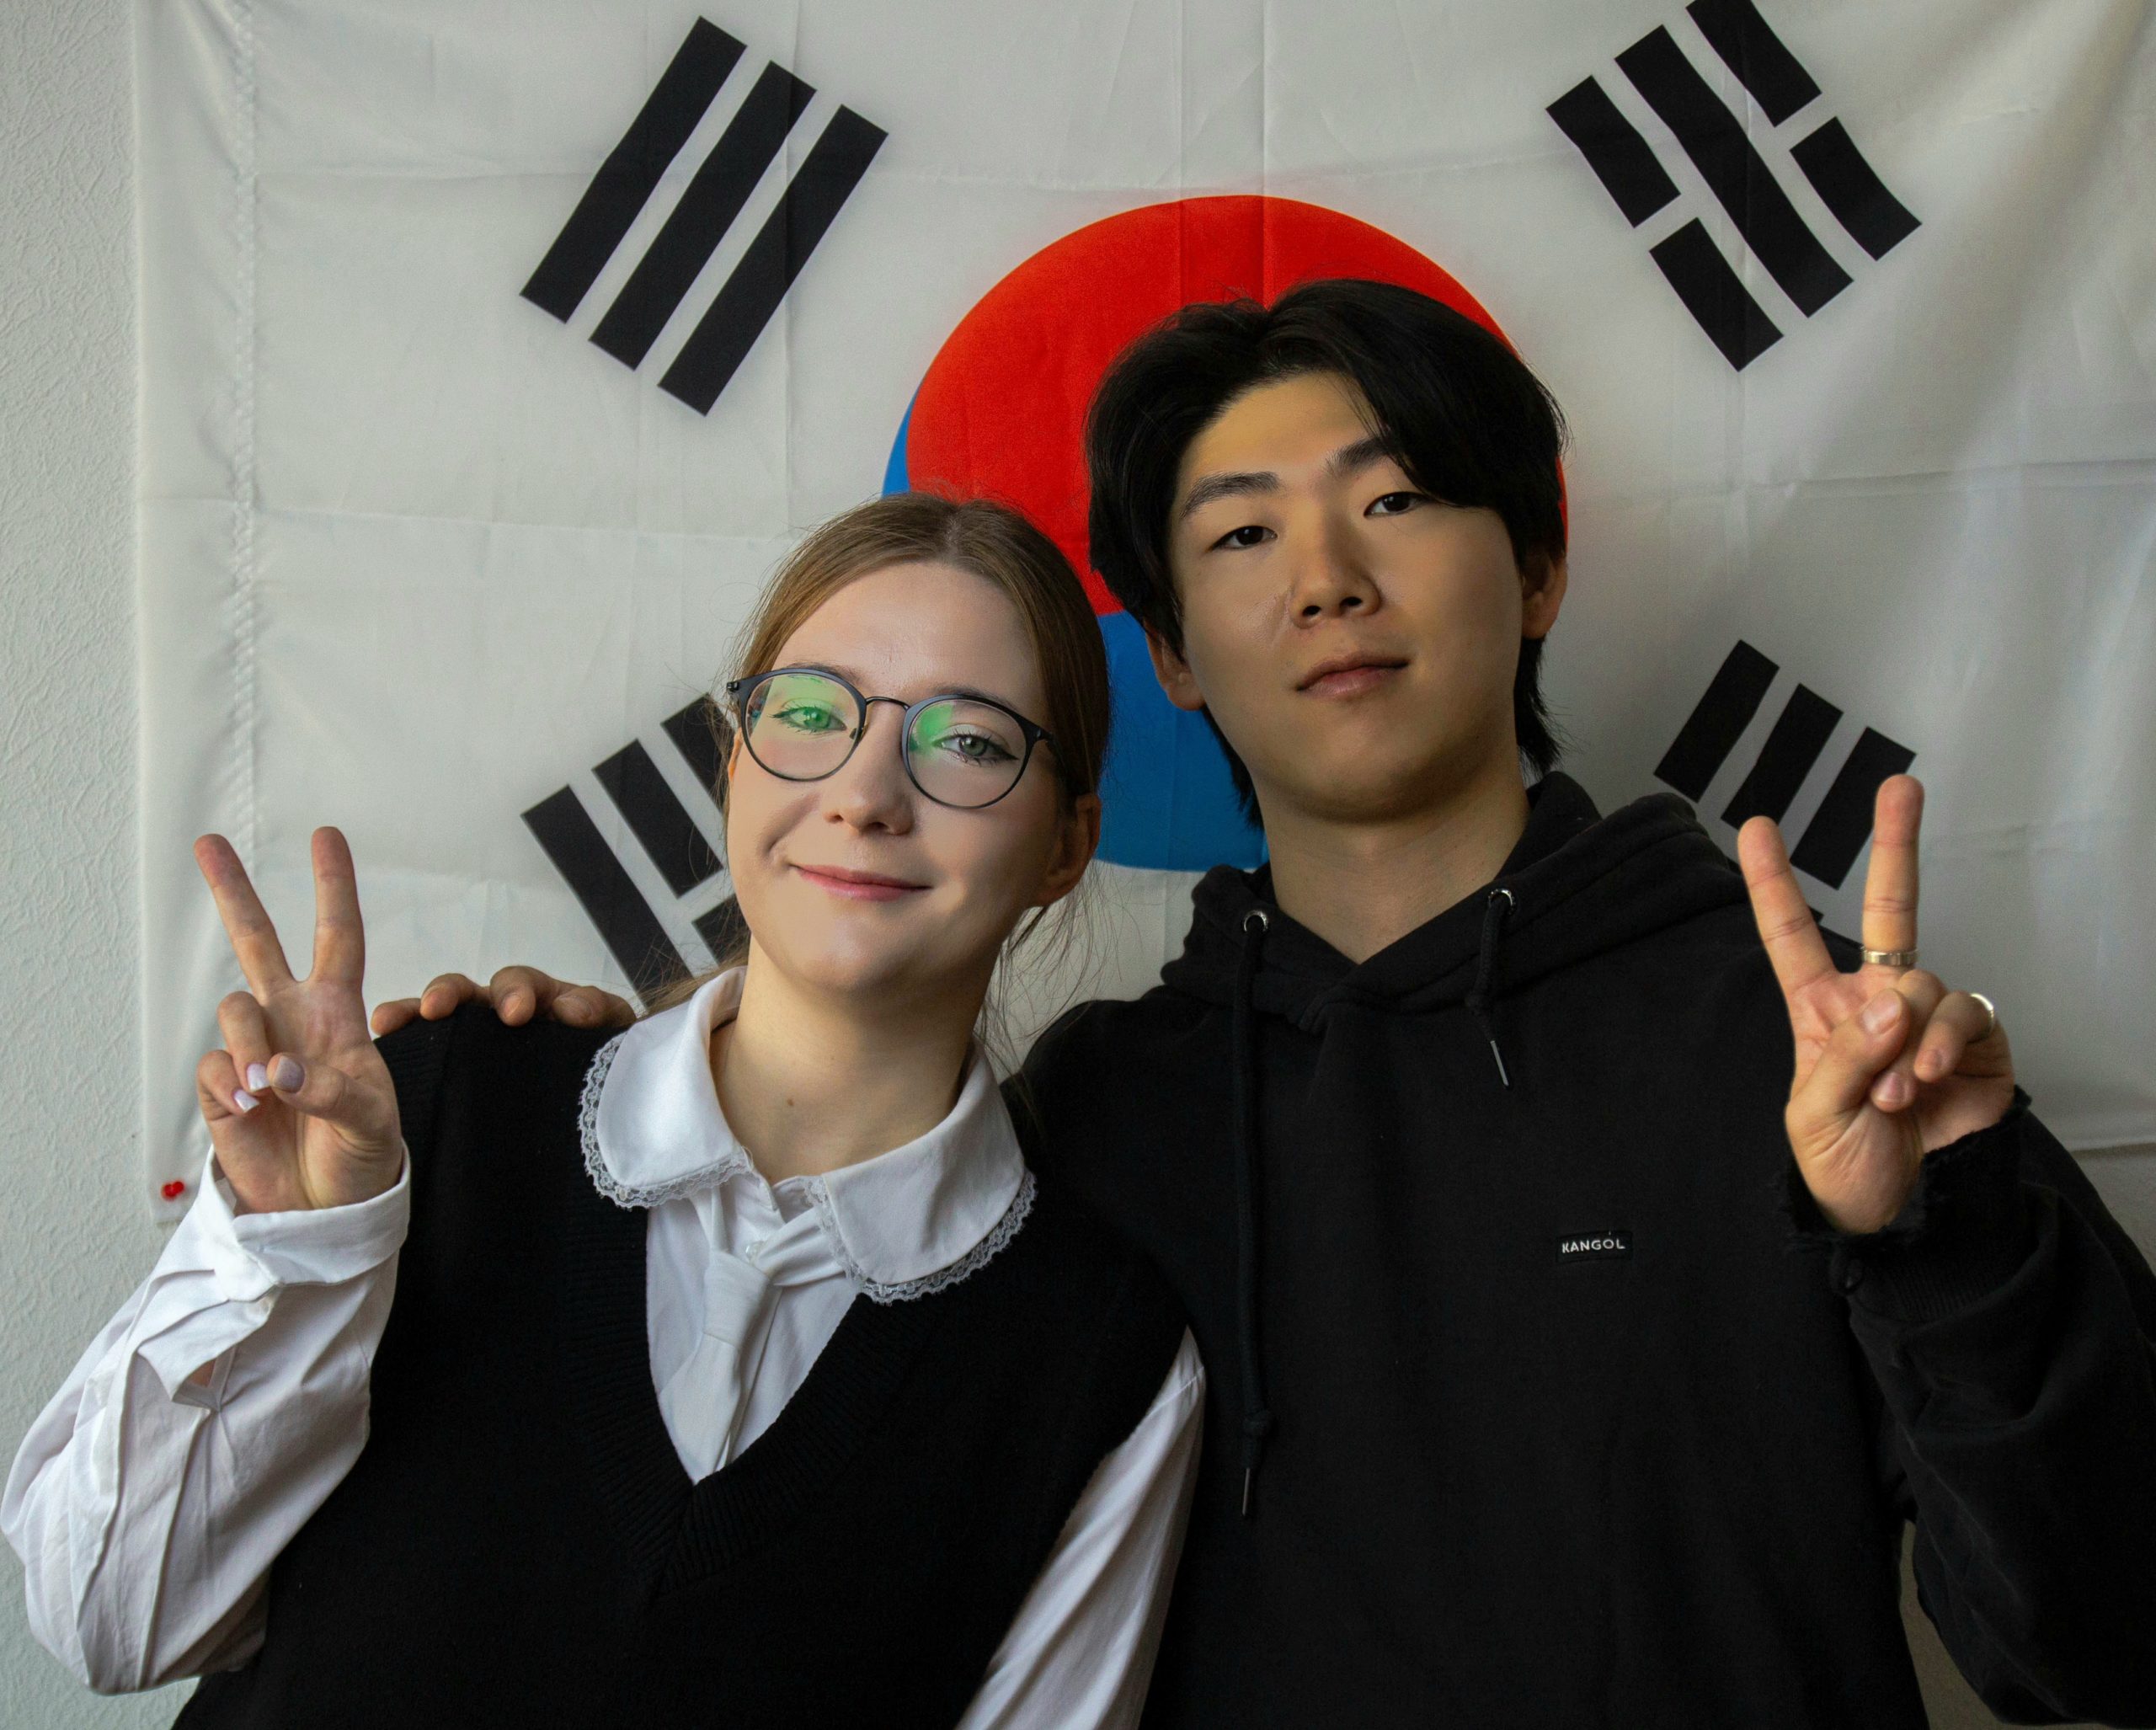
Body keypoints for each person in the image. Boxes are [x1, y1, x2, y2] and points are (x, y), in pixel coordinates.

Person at [371, 281, 2156, 1727]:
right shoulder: (1094, 1115)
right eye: (1239, 533)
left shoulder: (1807, 1045)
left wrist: (1952, 1223)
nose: (1325, 581)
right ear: (1167, 651)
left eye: (1395, 501)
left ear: (1539, 568)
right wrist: (576, 1088)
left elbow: (2108, 1641)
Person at [5, 494, 1204, 1728]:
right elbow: (107, 1621)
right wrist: (297, 1252)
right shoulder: (420, 1116)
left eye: (969, 741)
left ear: (1066, 845)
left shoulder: (1104, 1360)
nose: (864, 793)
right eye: (809, 713)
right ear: (732, 763)